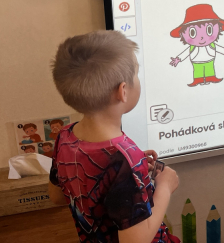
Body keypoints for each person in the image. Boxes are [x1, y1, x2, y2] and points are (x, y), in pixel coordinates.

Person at [48, 30, 180, 243]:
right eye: (136, 73)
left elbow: (56, 196)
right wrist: (165, 186)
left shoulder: (64, 136)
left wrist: (134, 171)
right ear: (123, 91)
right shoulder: (125, 159)